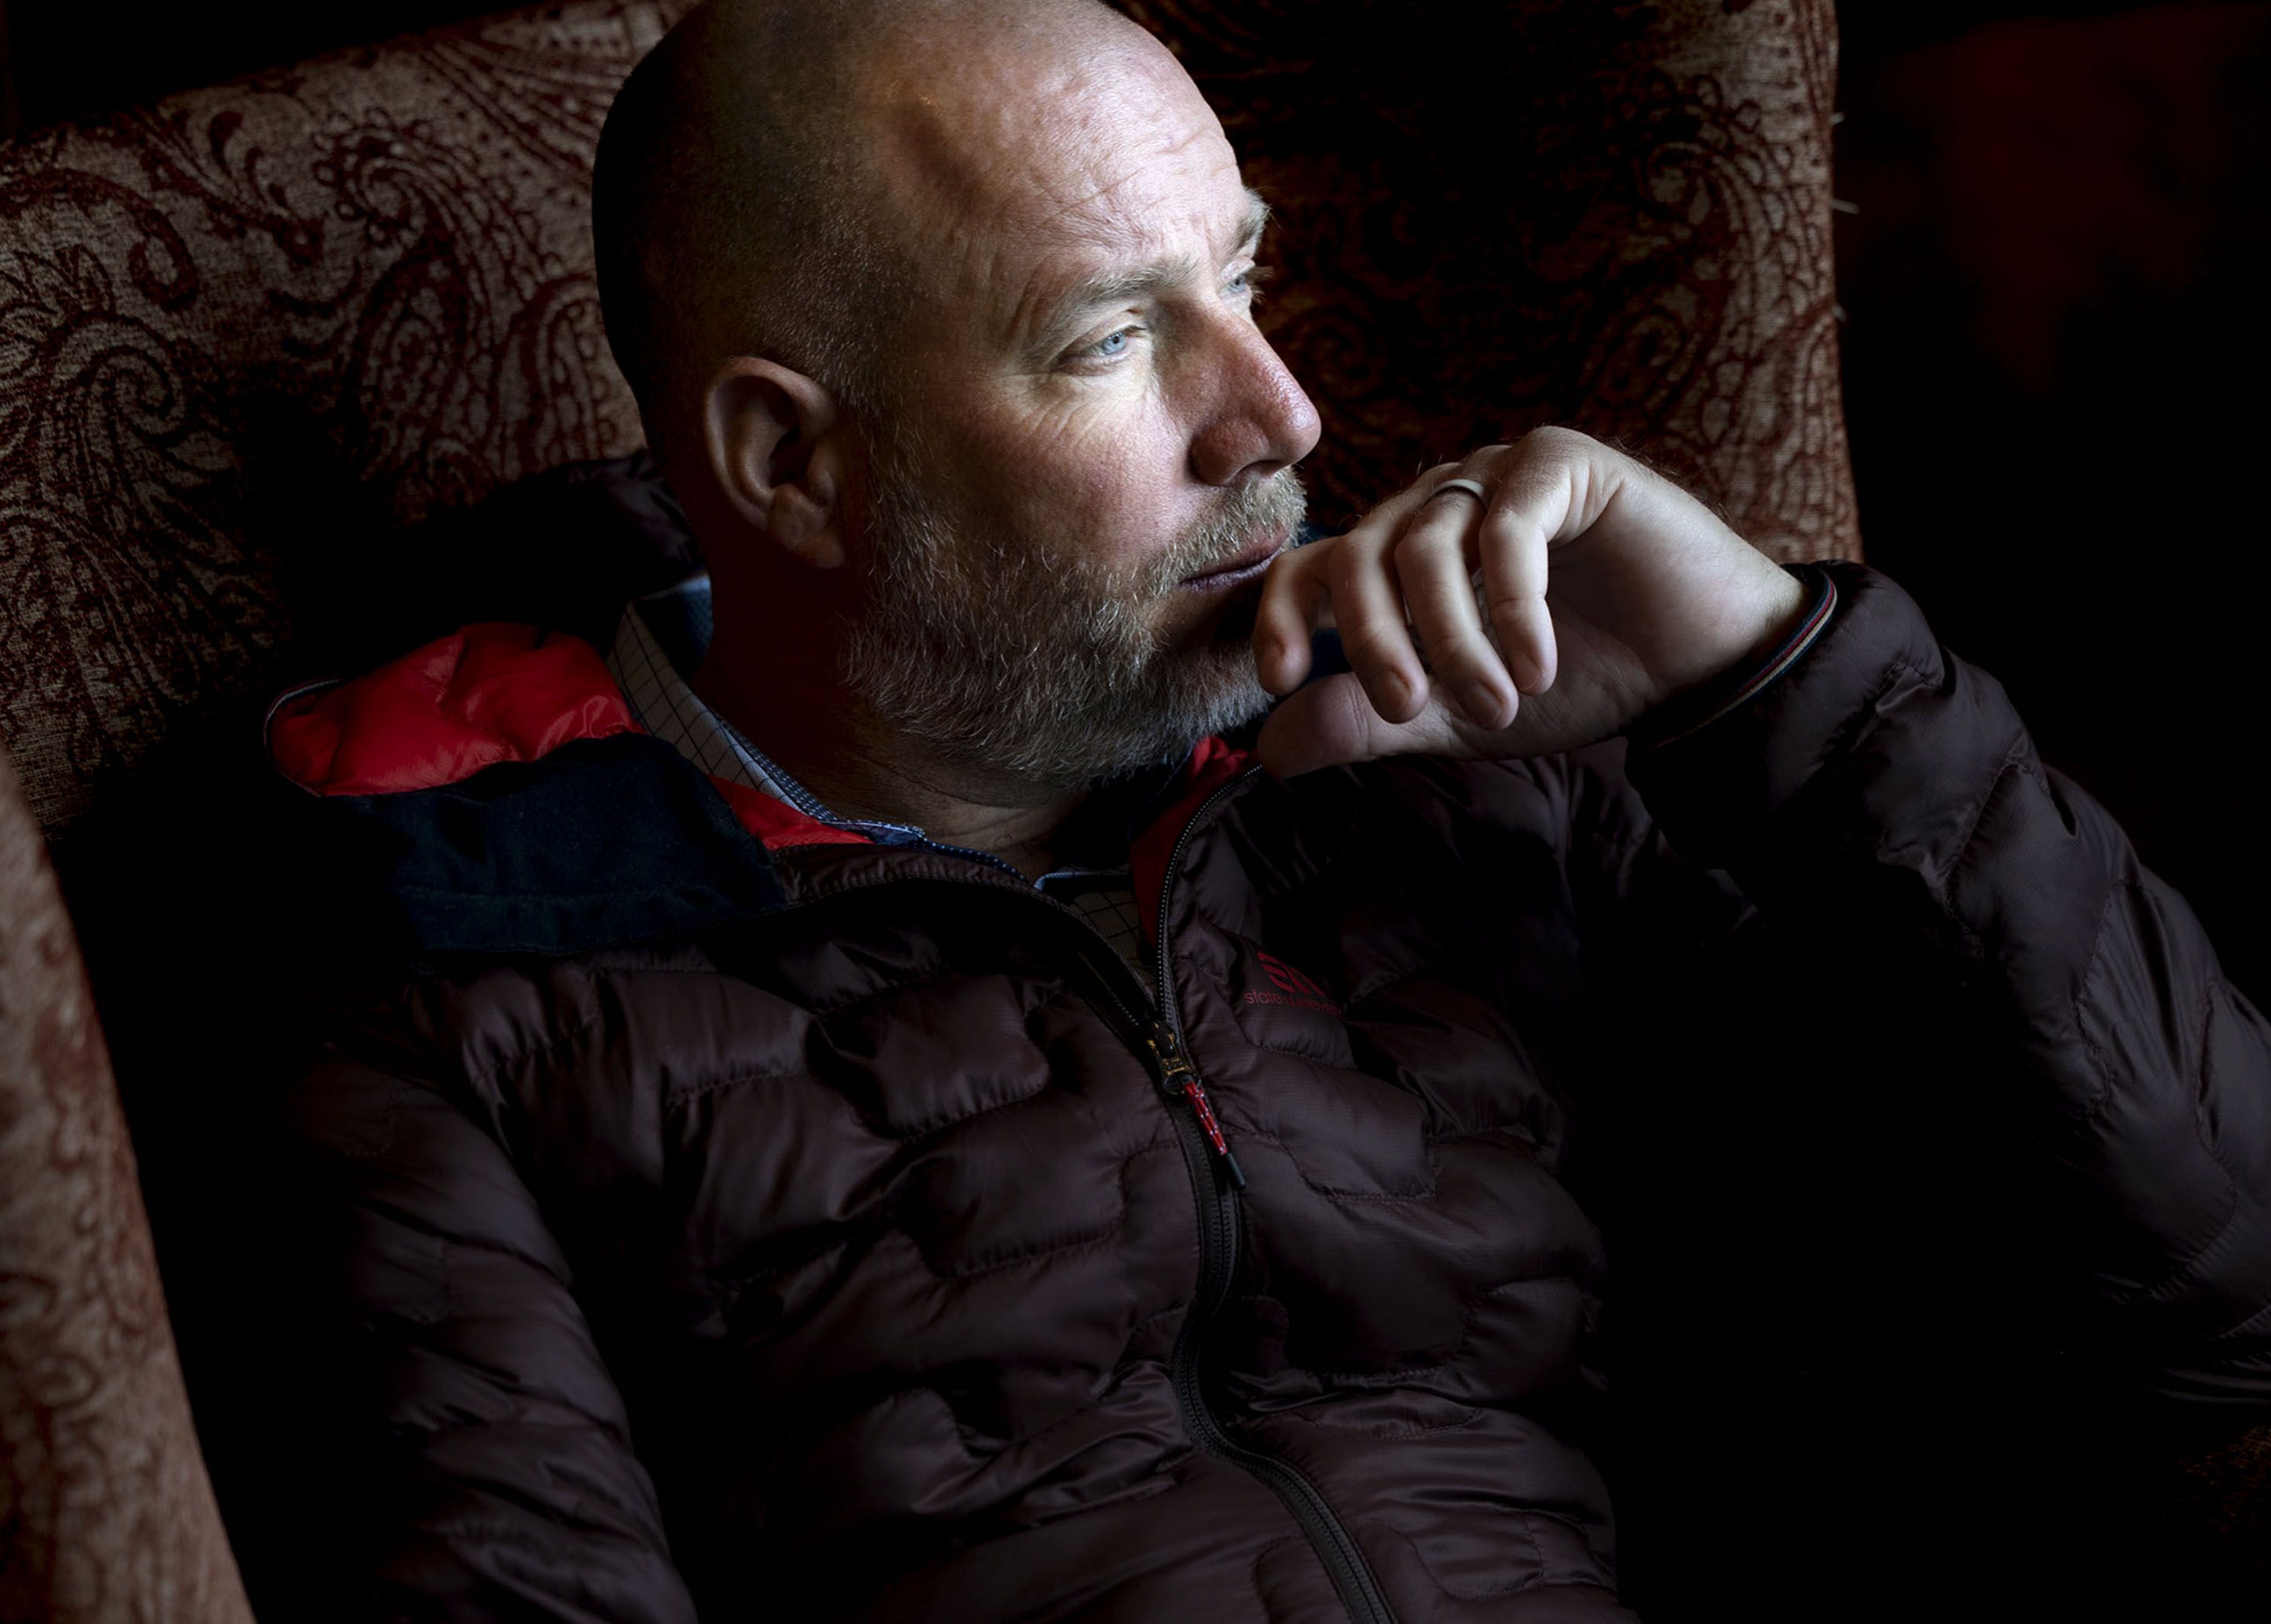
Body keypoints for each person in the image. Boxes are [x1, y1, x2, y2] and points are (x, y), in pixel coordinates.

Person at [263, 1, 2271, 1619]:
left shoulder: (1463, 766)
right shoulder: (456, 989)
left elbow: (2222, 1280)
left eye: (1244, 278)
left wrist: (1780, 684)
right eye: (1114, 339)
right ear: (792, 464)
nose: (1282, 415)